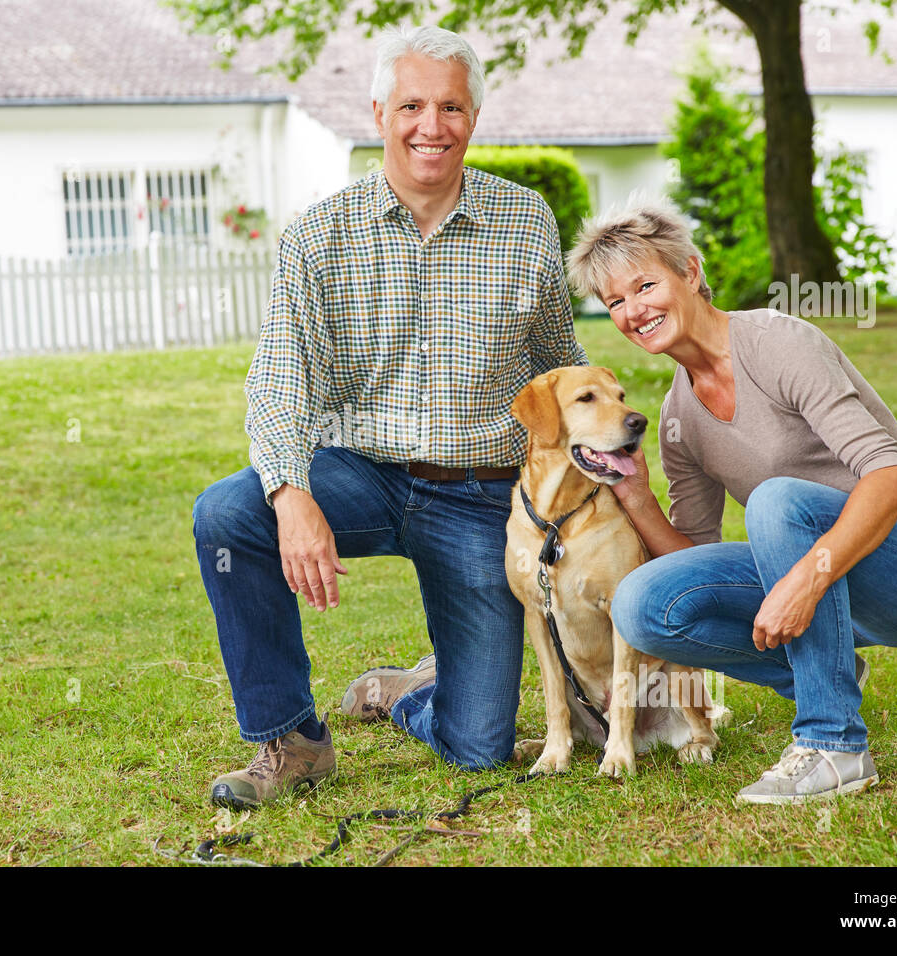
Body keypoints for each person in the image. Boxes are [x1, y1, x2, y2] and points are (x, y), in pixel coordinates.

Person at [192, 25, 588, 808]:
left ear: (473, 117)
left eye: (450, 107)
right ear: (378, 112)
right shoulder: (319, 234)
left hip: (482, 495)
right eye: (411, 105)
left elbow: (557, 373)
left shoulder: (525, 223)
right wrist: (290, 494)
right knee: (227, 516)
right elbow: (279, 383)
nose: (429, 126)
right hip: (363, 473)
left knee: (478, 748)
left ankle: (412, 692)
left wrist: (580, 493)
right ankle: (292, 739)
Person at [565, 203, 897, 804]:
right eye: (616, 301)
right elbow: (692, 567)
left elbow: (891, 479)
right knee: (644, 603)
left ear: (691, 272)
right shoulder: (679, 417)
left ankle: (835, 745)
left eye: (646, 285)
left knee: (776, 502)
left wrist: (806, 579)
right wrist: (634, 492)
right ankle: (824, 672)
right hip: (831, 586)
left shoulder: (777, 343)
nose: (633, 311)